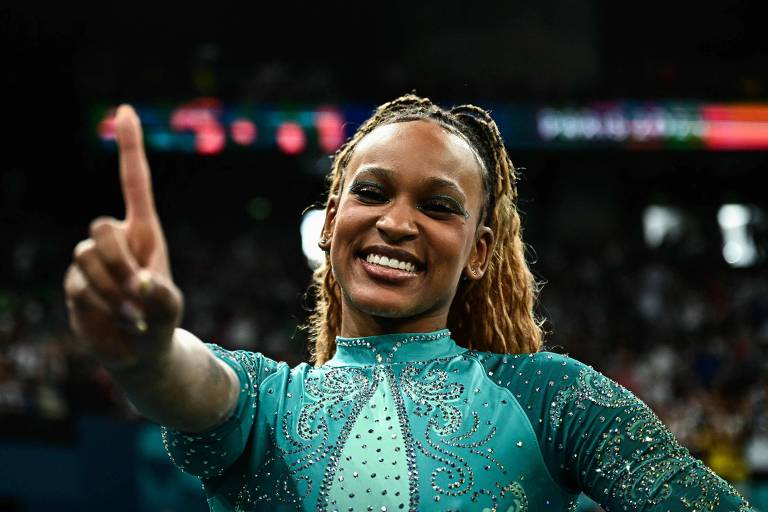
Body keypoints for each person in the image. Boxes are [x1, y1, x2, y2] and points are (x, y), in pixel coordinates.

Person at [63, 95, 755, 511]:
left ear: (480, 251)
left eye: (437, 205)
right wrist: (149, 349)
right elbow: (190, 382)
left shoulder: (553, 400)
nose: (396, 221)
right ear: (330, 220)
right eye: (372, 192)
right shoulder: (265, 403)